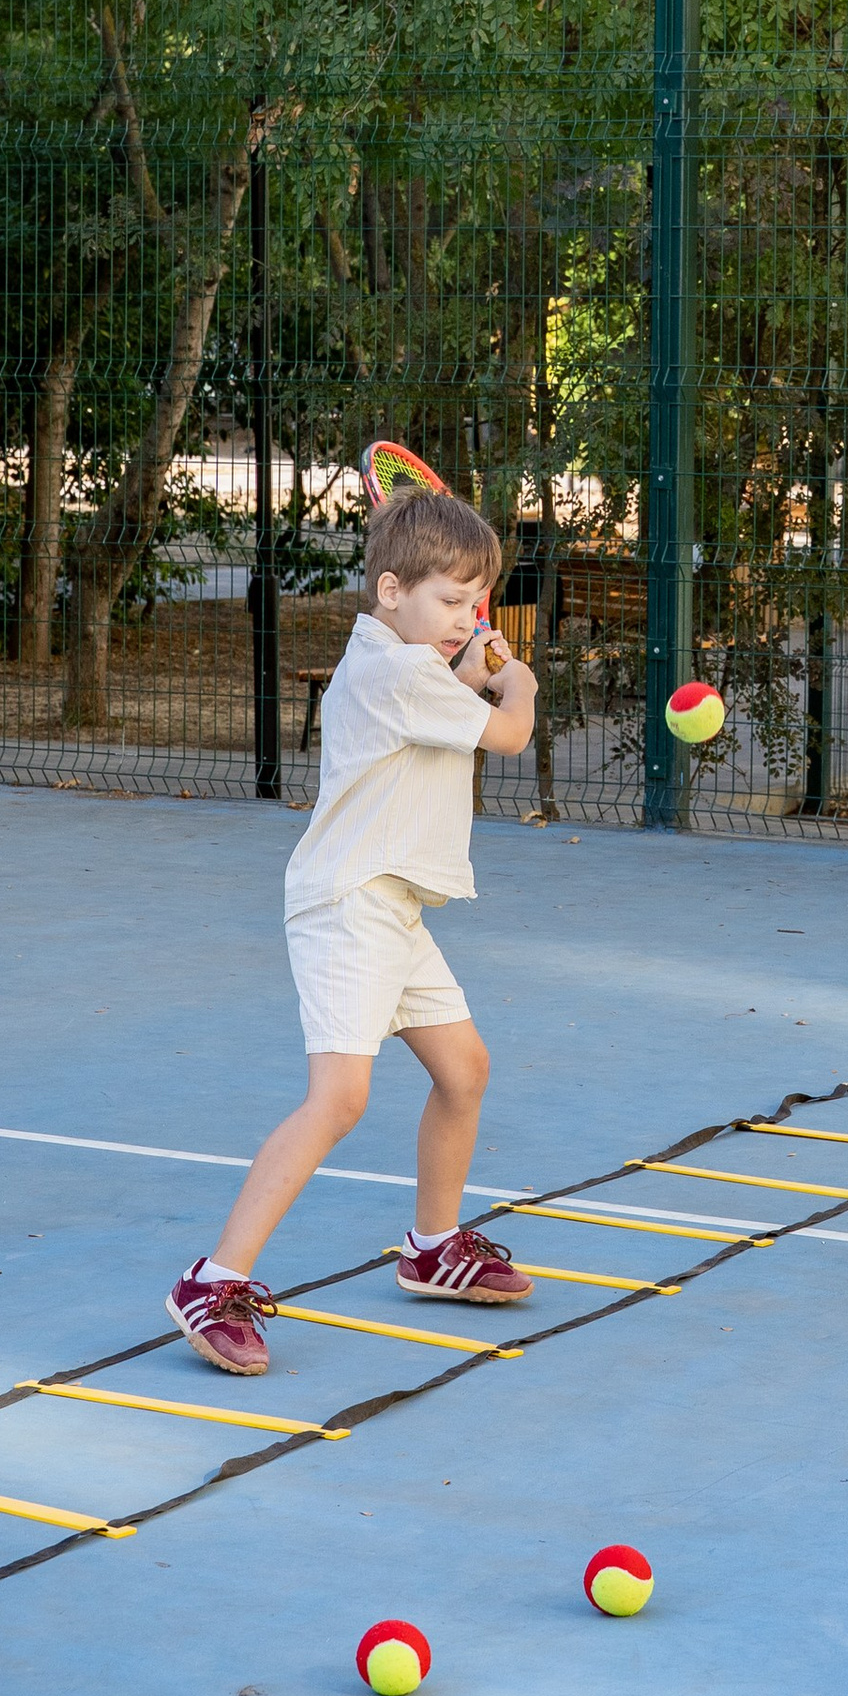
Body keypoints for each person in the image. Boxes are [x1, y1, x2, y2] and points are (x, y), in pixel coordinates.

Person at [165, 482, 540, 1376]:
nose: (465, 617)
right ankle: (212, 1283)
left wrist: (470, 666)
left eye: (475, 602)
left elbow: (445, 696)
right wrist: (517, 678)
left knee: (464, 1070)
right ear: (390, 590)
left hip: (391, 902)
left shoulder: (392, 660)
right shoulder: (398, 671)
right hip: (349, 904)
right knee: (338, 1100)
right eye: (450, 600)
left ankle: (433, 1248)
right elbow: (508, 735)